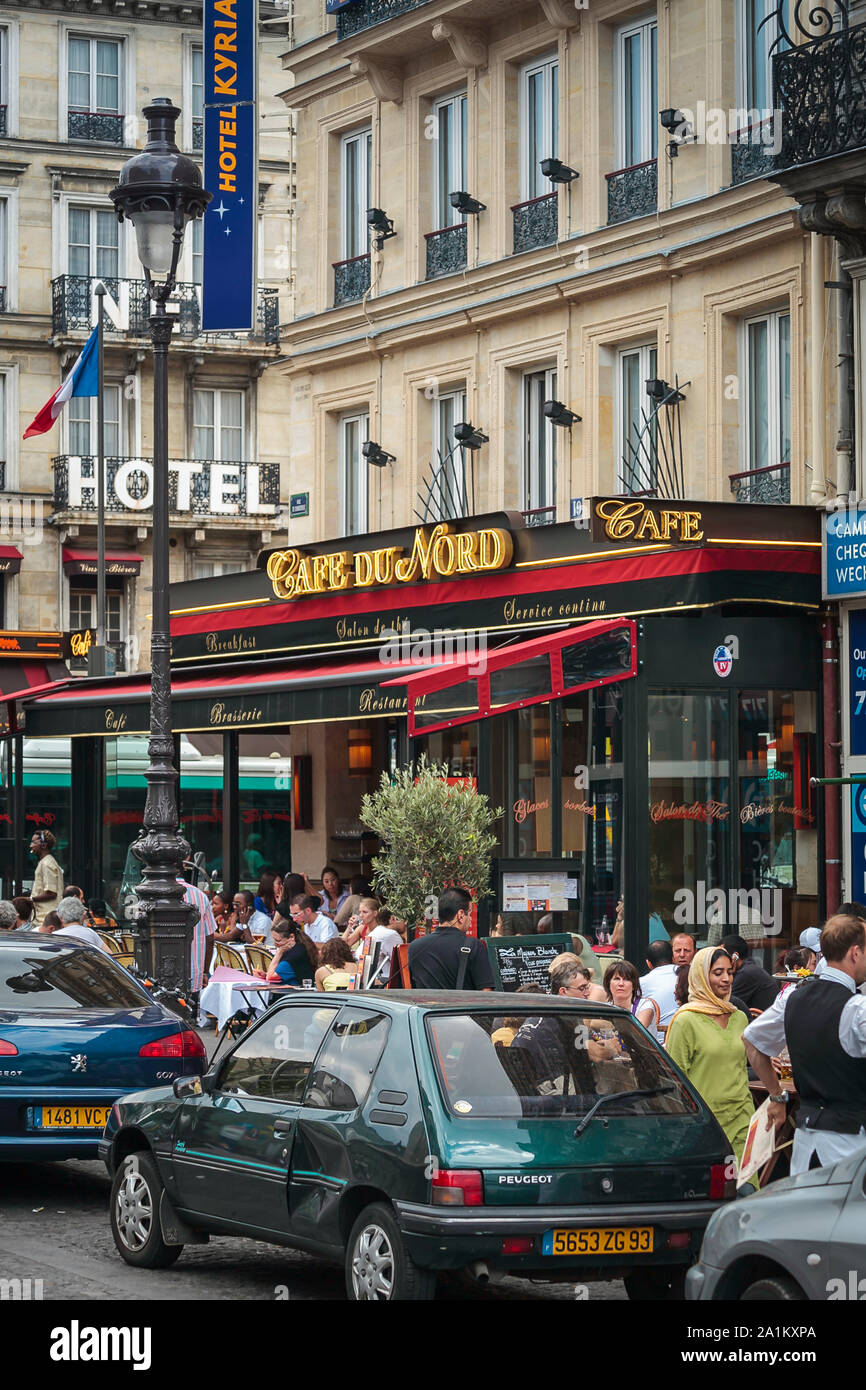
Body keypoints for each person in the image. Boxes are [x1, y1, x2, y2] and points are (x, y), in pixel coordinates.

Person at [744, 914, 866, 1174]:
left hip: (805, 1143)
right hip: (852, 1146)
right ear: (855, 953)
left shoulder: (792, 997)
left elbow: (752, 1041)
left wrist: (776, 1096)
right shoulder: (858, 1010)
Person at [665, 947, 754, 1166]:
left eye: (730, 972)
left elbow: (743, 1066)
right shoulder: (685, 1021)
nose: (726, 979)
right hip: (705, 1122)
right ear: (701, 976)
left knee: (745, 1188)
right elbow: (675, 1081)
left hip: (742, 1116)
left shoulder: (739, 1017)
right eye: (717, 973)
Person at [408, 887, 493, 990]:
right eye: (469, 913)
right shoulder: (474, 946)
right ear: (460, 915)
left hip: (425, 1005)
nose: (470, 919)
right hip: (462, 1005)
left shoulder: (414, 947)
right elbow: (487, 992)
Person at [720, 934, 781, 1013]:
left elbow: (727, 1004)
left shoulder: (746, 973)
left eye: (722, 955)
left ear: (735, 956)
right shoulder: (748, 968)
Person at [182, 873, 217, 995]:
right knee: (191, 1012)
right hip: (193, 973)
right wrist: (205, 972)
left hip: (155, 975)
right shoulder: (200, 896)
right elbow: (210, 938)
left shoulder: (149, 892)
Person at [259, 918, 318, 987]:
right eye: (274, 940)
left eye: (278, 940)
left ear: (291, 937)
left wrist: (279, 952)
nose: (275, 944)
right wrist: (265, 974)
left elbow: (270, 977)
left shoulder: (293, 956)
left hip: (294, 994)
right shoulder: (301, 946)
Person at [603, 960, 658, 1032]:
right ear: (608, 984)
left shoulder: (645, 1006)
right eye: (617, 979)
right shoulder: (605, 1008)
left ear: (634, 985)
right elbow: (593, 1024)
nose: (621, 983)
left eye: (626, 979)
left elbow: (636, 1031)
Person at [639, 939, 679, 1038]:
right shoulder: (688, 975)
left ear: (648, 963)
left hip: (657, 1042)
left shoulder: (641, 983)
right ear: (673, 958)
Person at [42, 896, 110, 952]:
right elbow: (111, 956)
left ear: (60, 918)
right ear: (82, 916)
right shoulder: (91, 933)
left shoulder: (54, 937)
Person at [29, 830, 64, 926]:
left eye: (33, 842)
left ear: (44, 845)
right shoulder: (45, 862)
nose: (30, 846)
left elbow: (51, 893)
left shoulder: (46, 863)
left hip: (44, 921)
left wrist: (30, 899)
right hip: (43, 920)